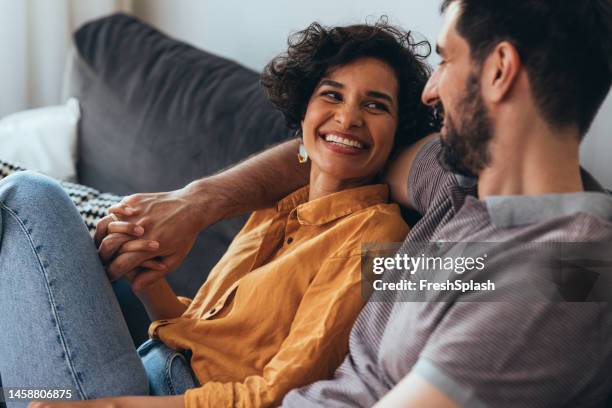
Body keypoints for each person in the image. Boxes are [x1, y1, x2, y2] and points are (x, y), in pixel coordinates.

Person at [95, 0, 612, 407]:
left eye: (447, 58)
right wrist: (199, 203)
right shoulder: (453, 187)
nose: (431, 91)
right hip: (179, 368)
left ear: (499, 69)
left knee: (29, 204)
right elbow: (336, 153)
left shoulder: (566, 271)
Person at [0, 21, 439, 408]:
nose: (347, 117)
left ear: (399, 132)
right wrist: (149, 282)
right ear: (304, 110)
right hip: (146, 368)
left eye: (375, 105)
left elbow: (276, 393)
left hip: (165, 397)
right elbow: (208, 336)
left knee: (28, 198)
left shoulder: (375, 236)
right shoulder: (277, 204)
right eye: (332, 95)